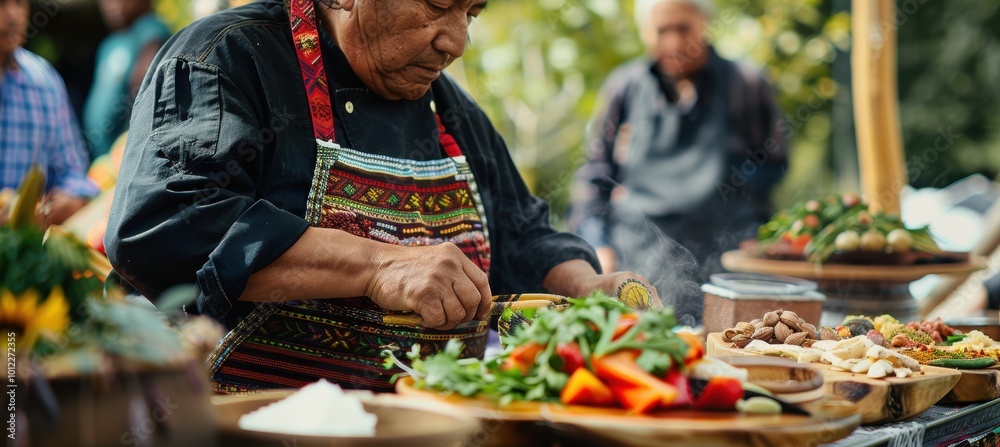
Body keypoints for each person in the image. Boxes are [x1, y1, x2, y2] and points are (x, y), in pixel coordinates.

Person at [106, 0, 658, 394]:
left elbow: (520, 232)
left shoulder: (450, 111)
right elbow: (164, 228)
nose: (456, 42)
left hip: (418, 426)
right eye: (437, 5)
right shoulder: (228, 57)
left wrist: (587, 289)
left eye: (471, 13)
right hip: (237, 423)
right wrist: (379, 266)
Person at [568, 0, 786, 325]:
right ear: (645, 32)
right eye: (661, 31)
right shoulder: (624, 88)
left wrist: (752, 225)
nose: (673, 42)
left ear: (705, 25)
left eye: (683, 29)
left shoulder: (747, 84)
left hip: (722, 266)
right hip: (638, 262)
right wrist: (596, 244)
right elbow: (594, 176)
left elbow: (773, 163)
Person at [0, 0, 98, 225]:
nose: (13, 15)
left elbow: (71, 169)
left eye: (19, 2)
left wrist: (71, 199)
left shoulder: (43, 81)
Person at [82, 0, 171, 159]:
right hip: (104, 159)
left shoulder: (151, 29)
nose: (110, 5)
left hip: (126, 155)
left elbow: (145, 89)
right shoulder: (111, 42)